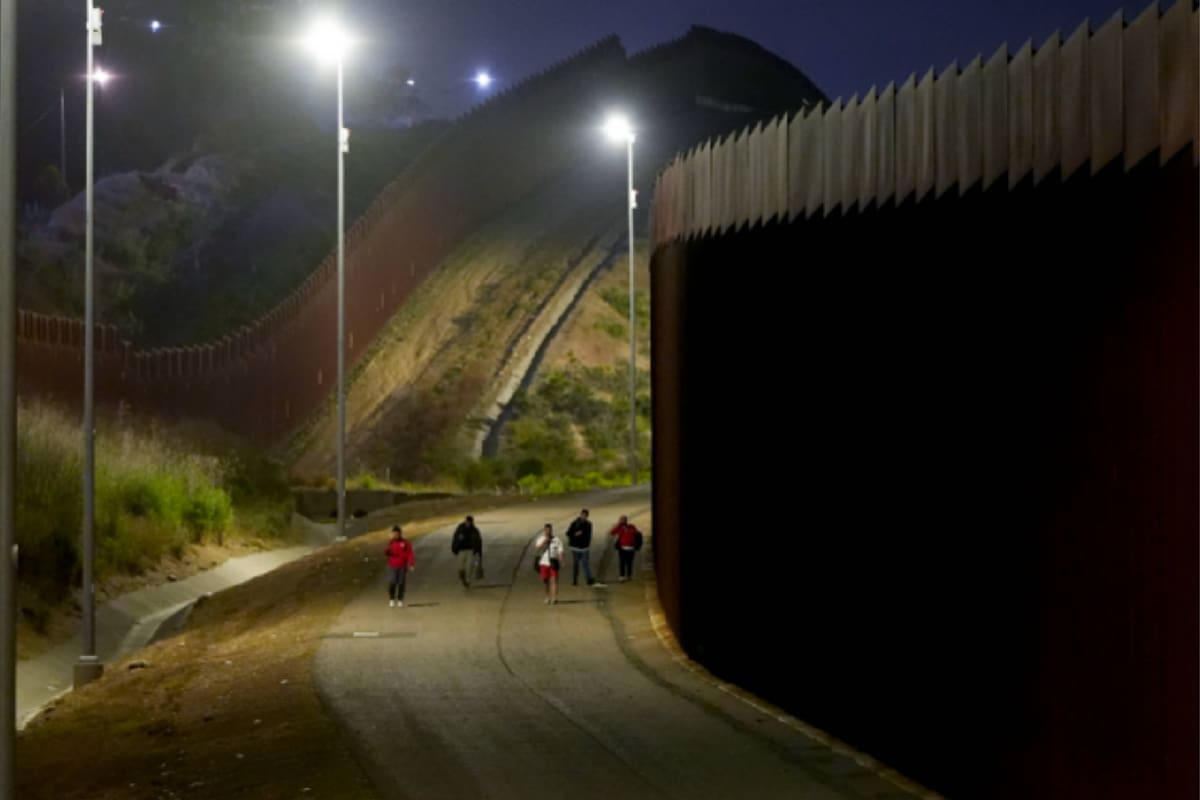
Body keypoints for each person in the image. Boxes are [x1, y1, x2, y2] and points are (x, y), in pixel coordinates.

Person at [565, 508, 602, 587]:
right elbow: (568, 533)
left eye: (585, 515)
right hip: (575, 547)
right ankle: (575, 580)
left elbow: (588, 535)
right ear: (580, 514)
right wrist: (575, 534)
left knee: (585, 564)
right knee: (576, 564)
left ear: (587, 516)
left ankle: (588, 579)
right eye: (582, 515)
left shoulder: (588, 524)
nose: (583, 516)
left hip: (584, 547)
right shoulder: (574, 523)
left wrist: (583, 537)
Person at [384, 525, 415, 607]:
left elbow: (410, 553)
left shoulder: (405, 543)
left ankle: (400, 599)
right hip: (392, 566)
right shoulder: (391, 542)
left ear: (400, 533)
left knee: (401, 583)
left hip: (402, 566)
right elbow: (386, 552)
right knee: (392, 582)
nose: (396, 535)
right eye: (394, 534)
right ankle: (391, 599)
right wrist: (388, 548)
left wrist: (411, 564)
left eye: (397, 533)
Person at [533, 523, 563, 605]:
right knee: (545, 581)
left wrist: (561, 560)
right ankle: (547, 596)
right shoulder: (541, 539)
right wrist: (544, 541)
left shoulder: (556, 540)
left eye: (549, 530)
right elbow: (538, 548)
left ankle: (554, 598)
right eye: (546, 530)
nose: (548, 531)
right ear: (544, 530)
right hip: (544, 563)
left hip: (553, 562)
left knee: (554, 580)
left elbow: (560, 551)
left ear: (551, 530)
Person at [450, 515, 483, 587]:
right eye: (467, 522)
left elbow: (478, 542)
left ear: (471, 522)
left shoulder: (475, 531)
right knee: (460, 566)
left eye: (469, 522)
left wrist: (478, 552)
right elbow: (455, 539)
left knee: (469, 566)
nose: (468, 523)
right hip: (461, 550)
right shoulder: (460, 529)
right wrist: (454, 548)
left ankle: (467, 581)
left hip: (470, 551)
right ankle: (462, 574)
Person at [610, 515, 642, 582]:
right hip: (622, 548)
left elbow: (637, 534)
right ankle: (622, 576)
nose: (622, 521)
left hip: (631, 548)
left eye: (623, 520)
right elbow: (612, 533)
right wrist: (618, 525)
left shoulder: (631, 526)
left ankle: (629, 575)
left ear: (626, 520)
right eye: (621, 520)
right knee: (622, 562)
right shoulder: (619, 528)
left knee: (629, 563)